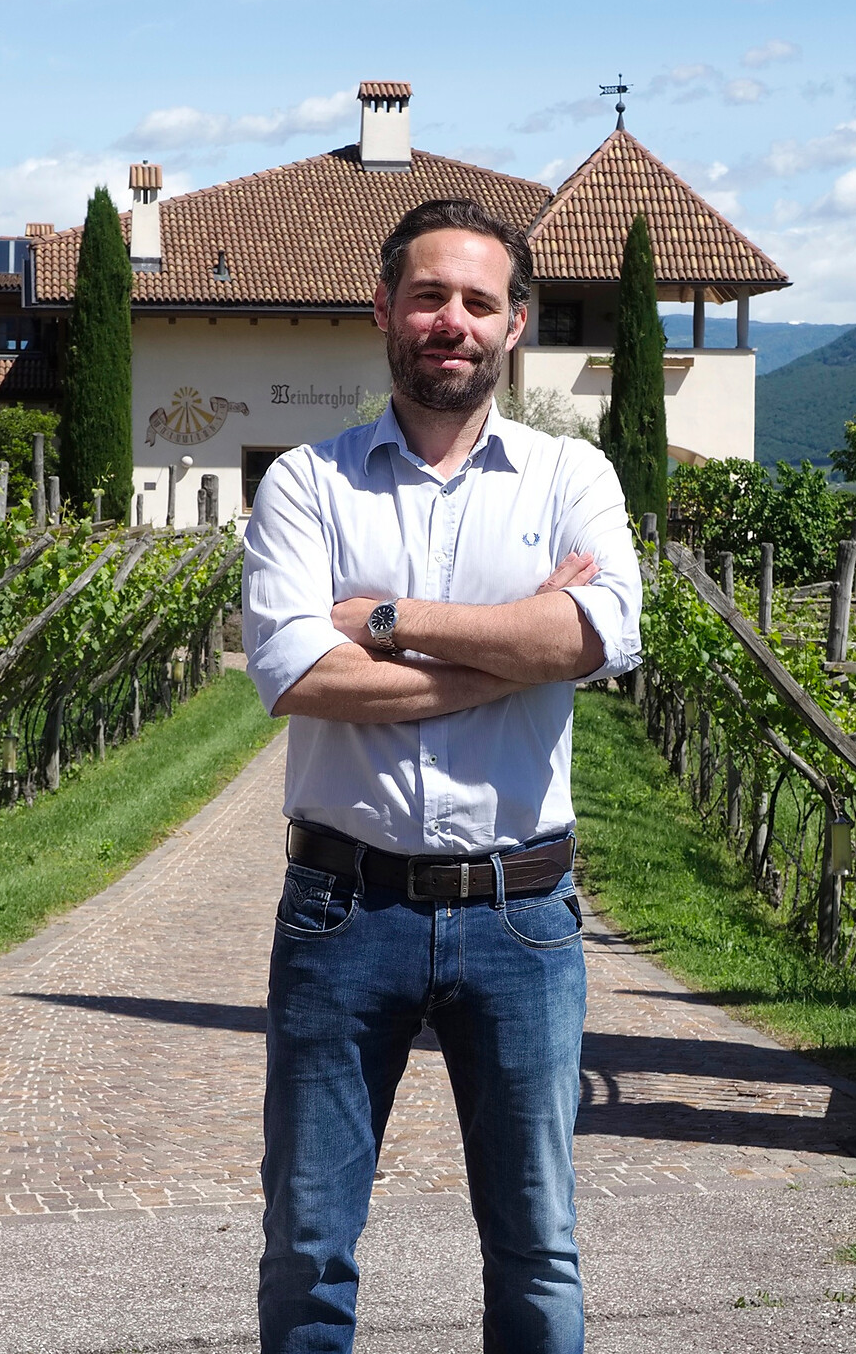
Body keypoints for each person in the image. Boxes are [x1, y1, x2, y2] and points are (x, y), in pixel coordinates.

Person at [242, 197, 643, 1353]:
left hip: (523, 916)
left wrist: (387, 619)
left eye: (478, 301)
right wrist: (505, 653)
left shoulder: (573, 476)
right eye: (428, 296)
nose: (450, 321)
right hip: (340, 910)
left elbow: (596, 636)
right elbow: (298, 674)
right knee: (309, 1248)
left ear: (516, 324)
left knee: (536, 1246)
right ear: (384, 310)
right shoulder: (307, 485)